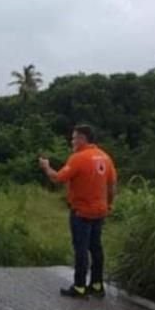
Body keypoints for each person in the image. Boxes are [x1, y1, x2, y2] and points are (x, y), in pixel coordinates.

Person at [39, 124, 117, 299]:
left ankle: (80, 287)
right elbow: (112, 186)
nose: (72, 141)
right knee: (96, 248)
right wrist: (109, 205)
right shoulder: (105, 157)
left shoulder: (78, 158)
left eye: (74, 138)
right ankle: (97, 285)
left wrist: (46, 167)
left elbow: (58, 178)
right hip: (100, 211)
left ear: (83, 138)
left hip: (81, 212)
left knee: (81, 249)